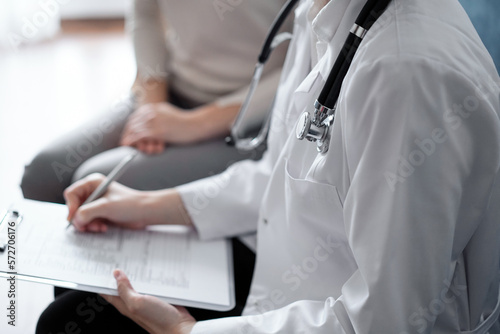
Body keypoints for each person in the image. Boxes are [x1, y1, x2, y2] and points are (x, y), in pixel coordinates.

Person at [37, 0, 500, 333]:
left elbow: (384, 322)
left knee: (68, 323)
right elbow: (277, 176)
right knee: (79, 288)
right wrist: (143, 205)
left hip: (324, 314)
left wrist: (186, 333)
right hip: (284, 267)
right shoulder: (318, 13)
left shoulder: (405, 75)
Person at [20, 0, 290, 203]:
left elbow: (307, 62)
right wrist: (151, 106)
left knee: (96, 185)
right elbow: (145, 14)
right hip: (171, 92)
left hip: (258, 120)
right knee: (43, 176)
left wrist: (196, 123)